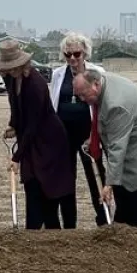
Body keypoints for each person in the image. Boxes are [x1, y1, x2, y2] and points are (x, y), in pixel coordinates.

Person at [72, 69, 137, 229]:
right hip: (131, 138)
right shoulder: (101, 82)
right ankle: (123, 233)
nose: (83, 100)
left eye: (84, 95)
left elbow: (117, 148)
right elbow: (107, 125)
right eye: (79, 96)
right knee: (123, 192)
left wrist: (109, 184)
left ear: (96, 84)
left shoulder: (116, 104)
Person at [0, 39, 76, 229]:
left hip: (50, 141)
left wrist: (17, 157)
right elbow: (15, 106)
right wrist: (13, 125)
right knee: (32, 184)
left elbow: (34, 124)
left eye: (14, 66)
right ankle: (32, 232)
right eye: (7, 67)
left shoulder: (35, 84)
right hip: (31, 139)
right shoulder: (10, 78)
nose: (11, 70)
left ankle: (51, 233)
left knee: (47, 189)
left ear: (23, 64)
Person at [48, 31, 109, 226]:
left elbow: (102, 104)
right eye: (68, 55)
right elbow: (53, 103)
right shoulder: (58, 74)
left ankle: (104, 218)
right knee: (66, 180)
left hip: (89, 134)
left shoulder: (97, 73)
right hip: (64, 135)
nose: (72, 58)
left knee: (96, 176)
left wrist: (96, 135)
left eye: (77, 54)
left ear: (85, 54)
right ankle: (69, 225)